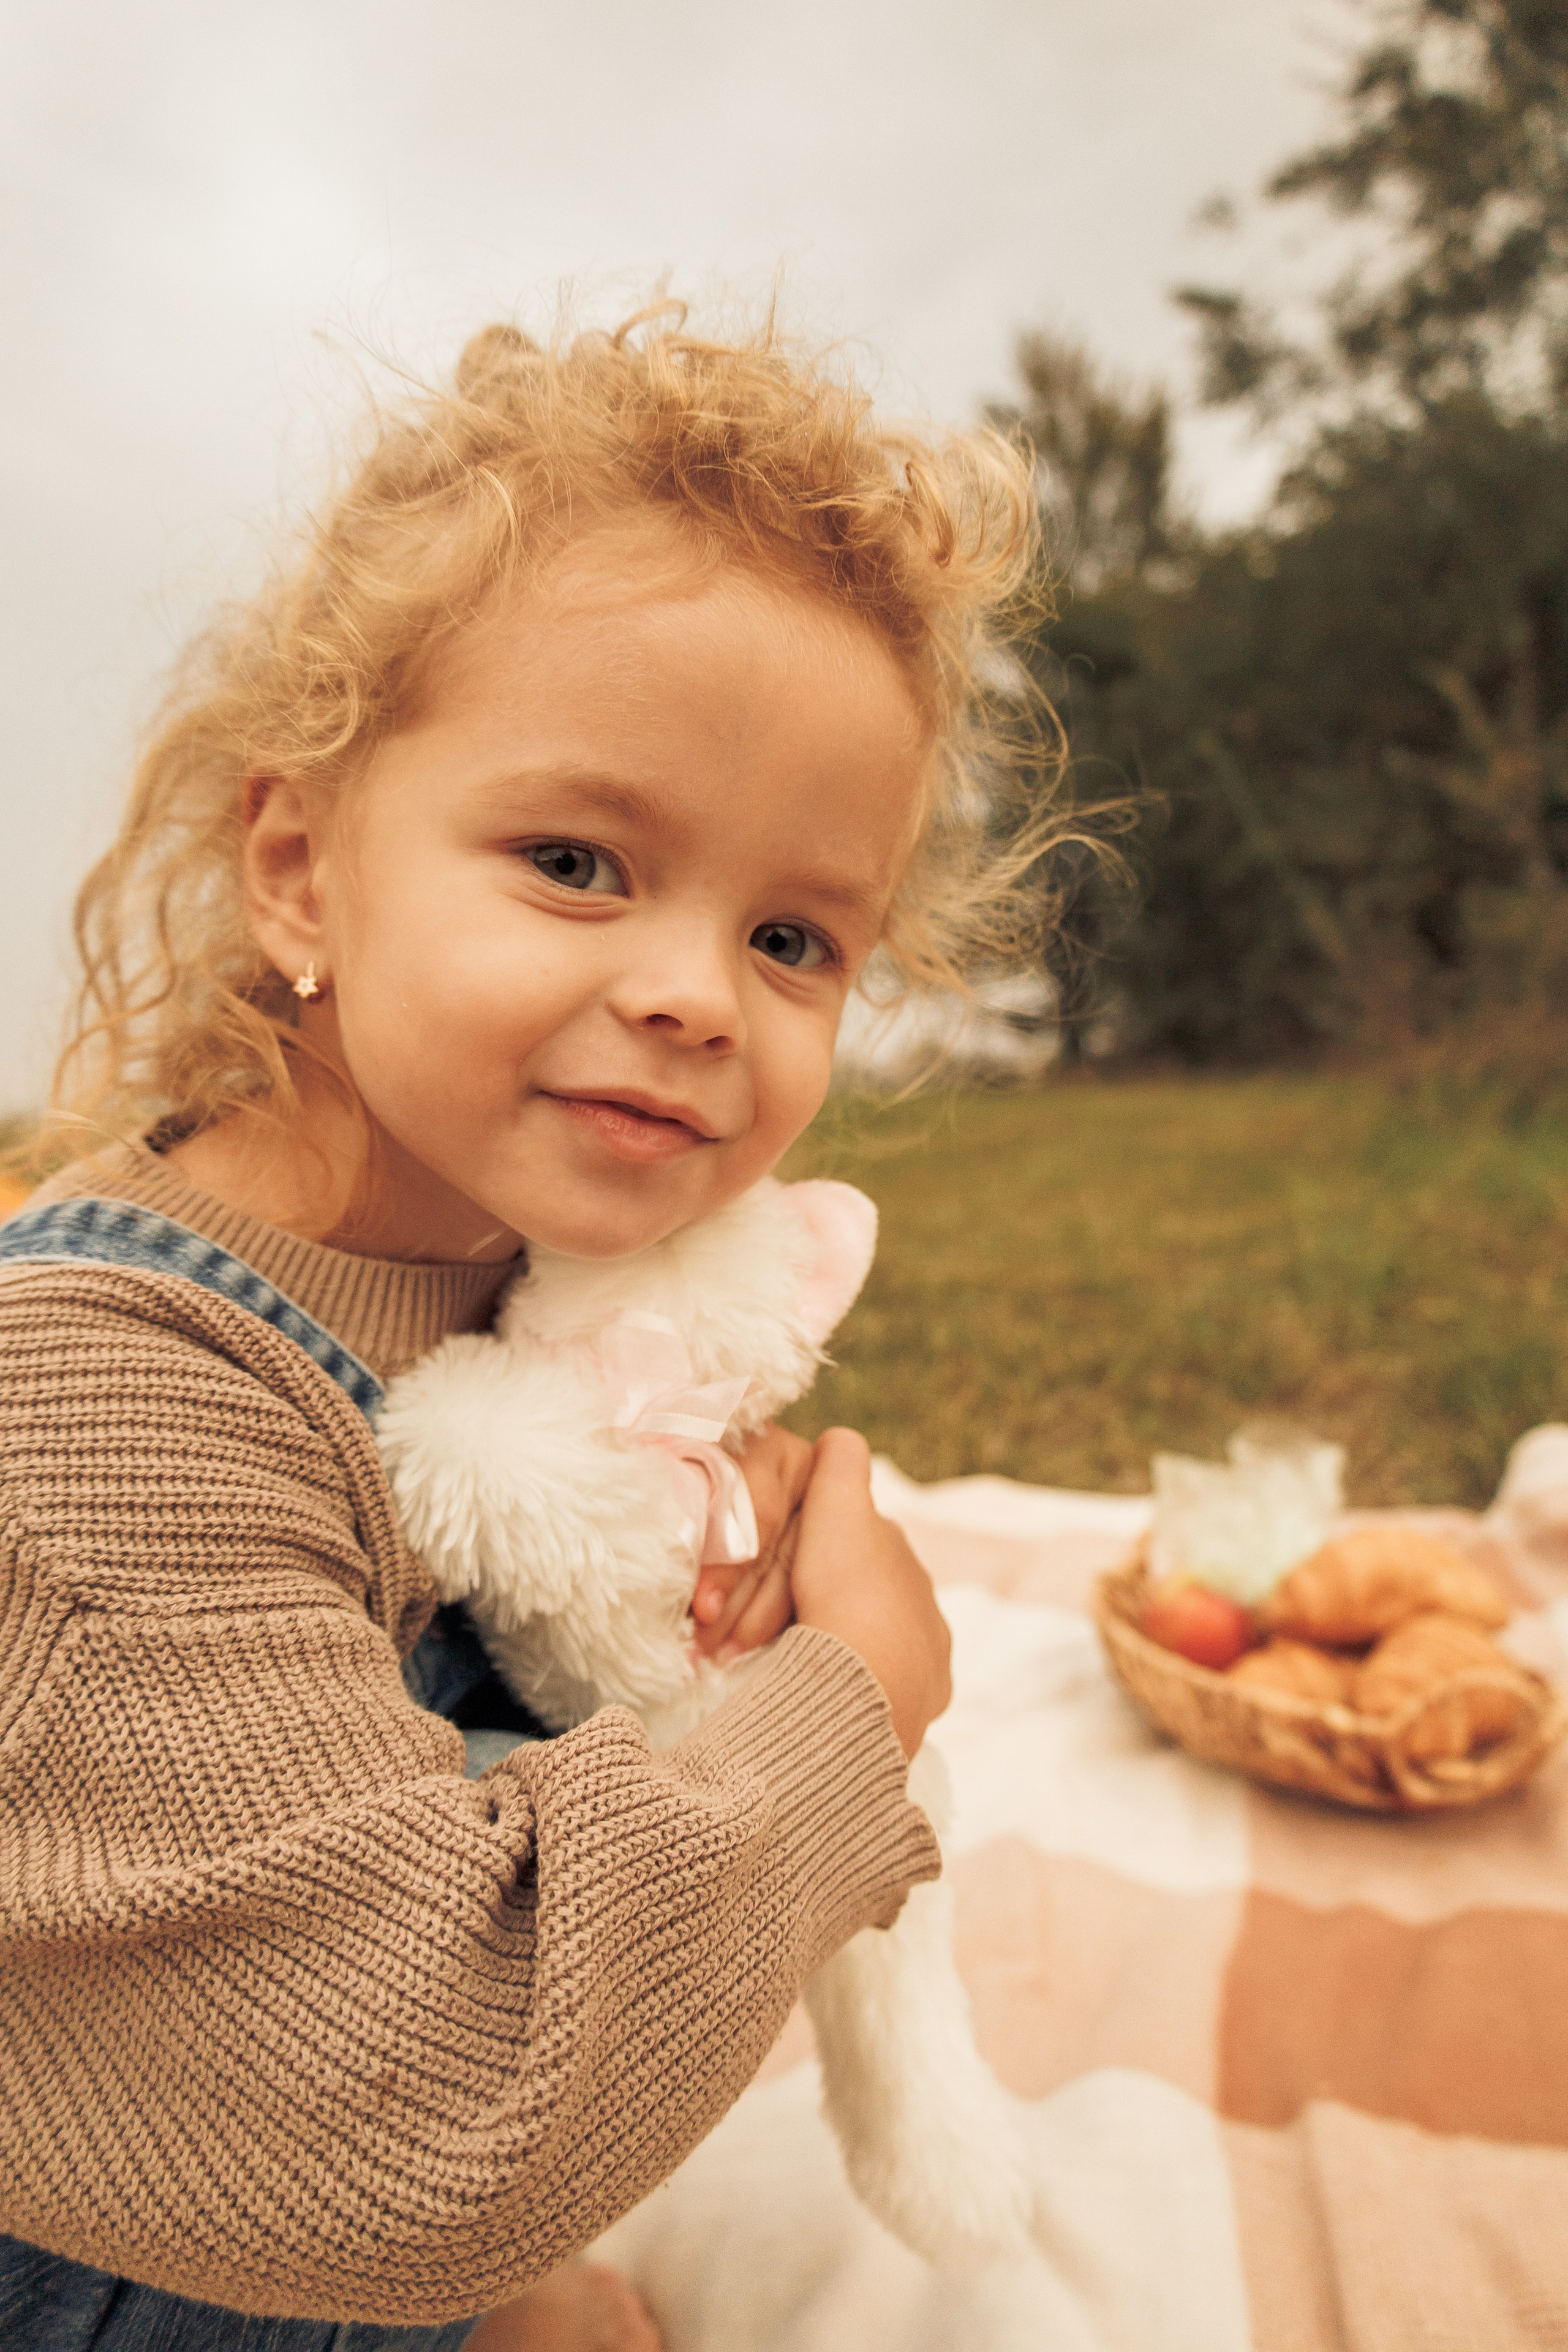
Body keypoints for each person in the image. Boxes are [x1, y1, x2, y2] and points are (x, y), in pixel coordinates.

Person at [0, 304, 1058, 2350]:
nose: (696, 996)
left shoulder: (520, 1282)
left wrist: (703, 1608)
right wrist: (847, 1704)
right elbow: (408, 2106)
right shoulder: (84, 1408)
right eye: (577, 862)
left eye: (791, 936)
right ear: (301, 871)